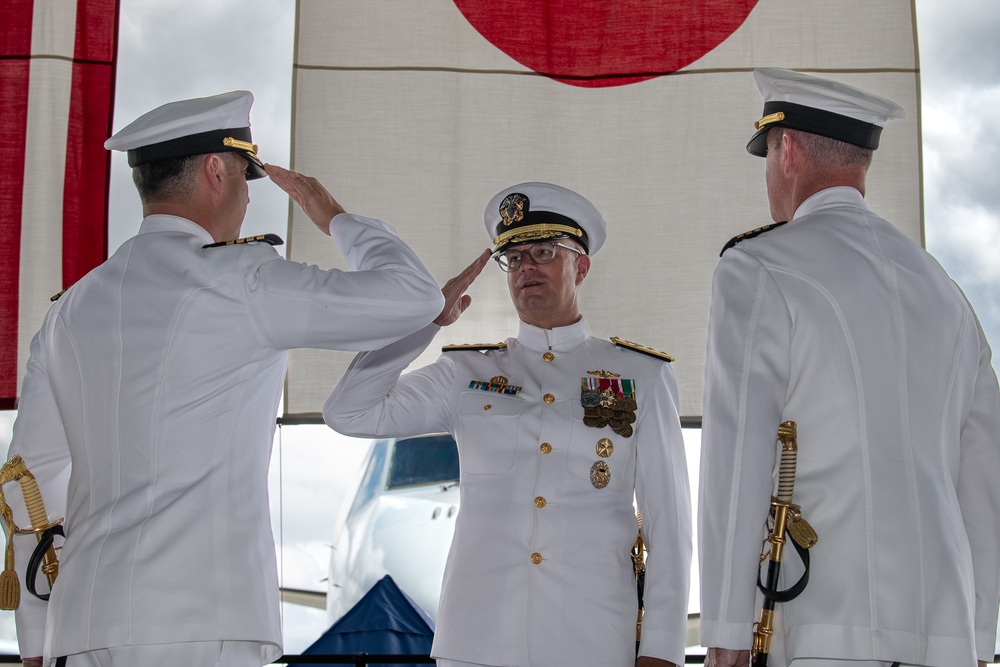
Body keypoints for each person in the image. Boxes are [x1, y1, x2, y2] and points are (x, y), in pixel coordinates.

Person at [2, 90, 445, 667]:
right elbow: (415, 296)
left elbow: (26, 484)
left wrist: (37, 637)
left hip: (82, 628)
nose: (243, 195)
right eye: (244, 175)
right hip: (201, 629)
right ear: (216, 169)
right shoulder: (240, 280)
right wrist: (333, 214)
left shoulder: (68, 312)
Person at [698, 68, 1000, 667]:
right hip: (944, 636)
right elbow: (984, 477)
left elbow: (738, 457)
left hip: (820, 628)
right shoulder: (945, 291)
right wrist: (978, 632)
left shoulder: (757, 267)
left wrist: (728, 626)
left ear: (787, 151)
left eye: (768, 156)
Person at [324, 182, 692, 667]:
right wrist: (425, 321)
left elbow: (670, 523)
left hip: (592, 641)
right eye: (514, 258)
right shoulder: (464, 373)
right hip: (475, 642)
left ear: (581, 266)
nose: (526, 268)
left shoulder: (640, 374)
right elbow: (348, 411)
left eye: (543, 252)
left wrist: (663, 650)